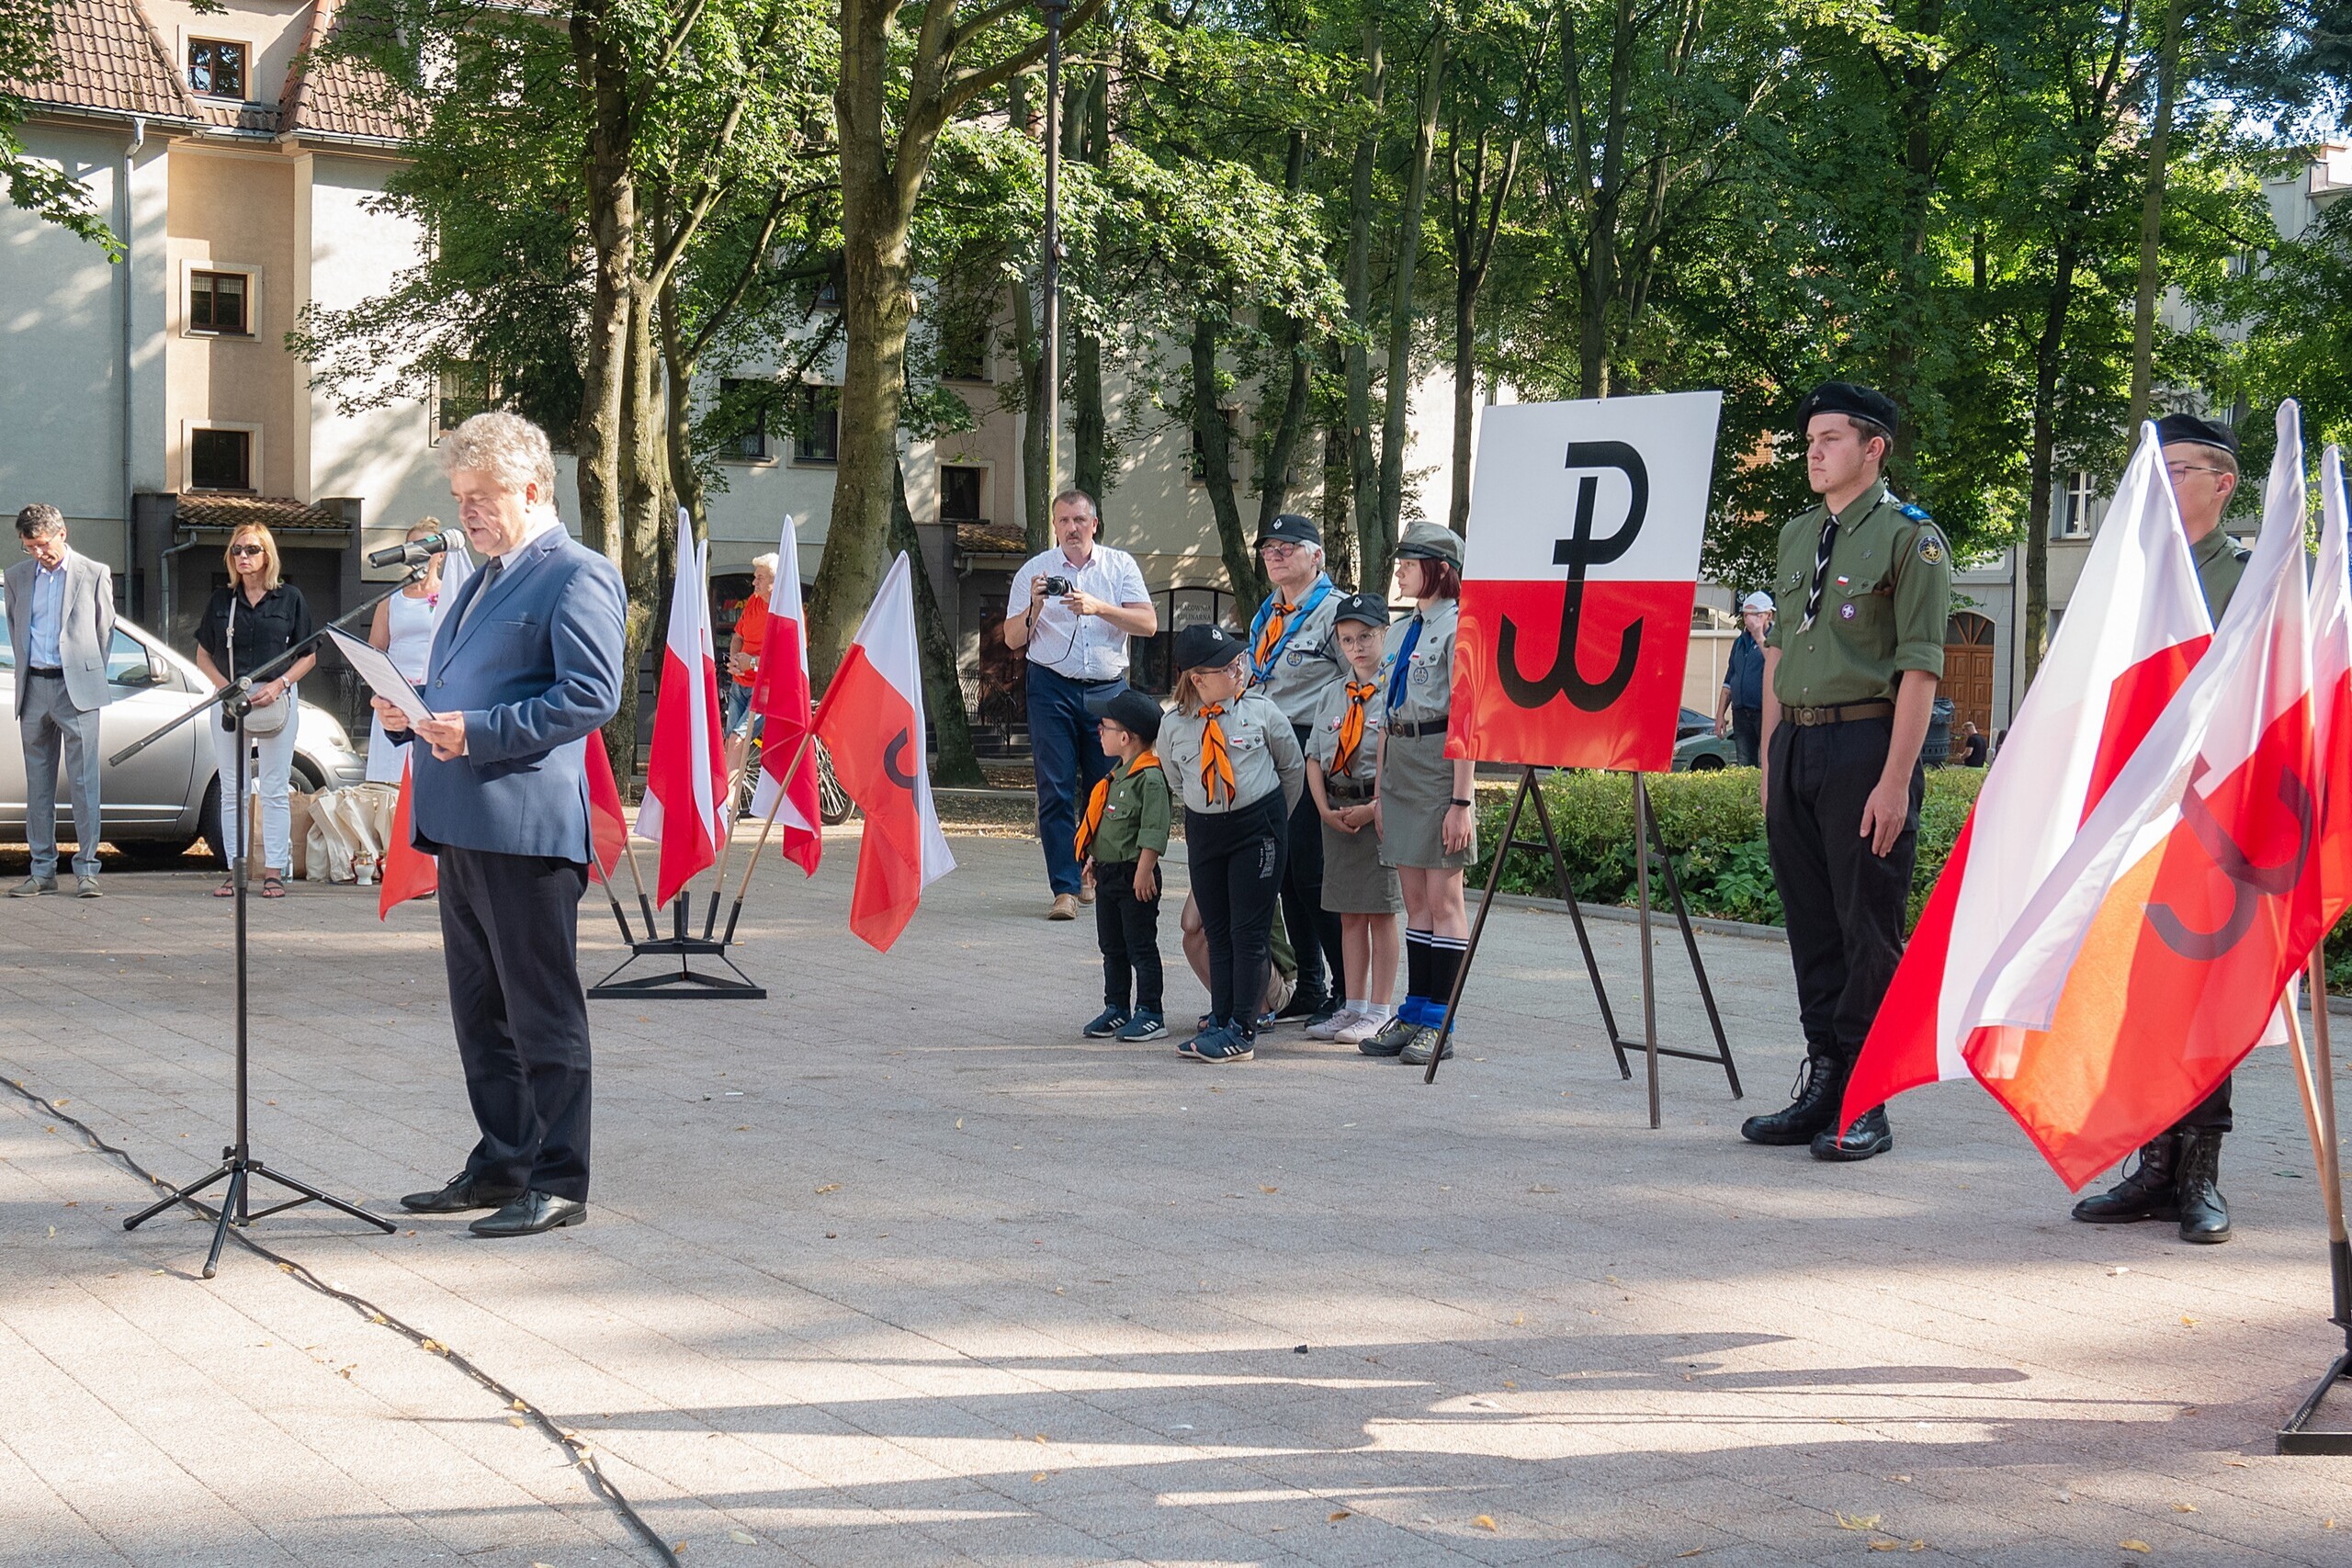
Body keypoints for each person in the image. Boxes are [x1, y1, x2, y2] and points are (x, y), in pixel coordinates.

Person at [376, 412, 627, 1239]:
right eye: (460, 497)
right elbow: (469, 681)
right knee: (480, 1012)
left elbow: (590, 695)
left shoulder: (577, 574)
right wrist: (410, 711)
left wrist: (479, 731)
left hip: (524, 827)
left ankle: (559, 1179)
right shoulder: (480, 577)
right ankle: (504, 1159)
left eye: (481, 496)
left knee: (540, 1012)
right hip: (460, 819)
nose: (467, 511)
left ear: (532, 488)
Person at [1741, 380, 1951, 1162]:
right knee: (1812, 924)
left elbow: (1920, 669)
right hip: (1797, 746)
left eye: (1830, 439)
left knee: (1868, 926)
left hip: (1867, 745)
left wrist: (1895, 781)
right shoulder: (1799, 535)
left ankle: (1869, 1096)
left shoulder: (1910, 539)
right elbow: (1778, 657)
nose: (1814, 452)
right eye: (1810, 441)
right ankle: (1825, 1079)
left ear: (1873, 448)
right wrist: (1770, 761)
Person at [2070, 410, 2250, 1244]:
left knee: (2202, 992)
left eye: (2178, 471)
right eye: (2155, 472)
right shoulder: (2134, 579)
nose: (2163, 486)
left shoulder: (2253, 579)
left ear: (2224, 483)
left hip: (2218, 813)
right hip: (2136, 811)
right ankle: (2154, 1164)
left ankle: (2200, 1171)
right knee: (2140, 989)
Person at [1003, 490, 1158, 920]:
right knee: (1054, 789)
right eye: (1064, 521)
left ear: (1094, 524)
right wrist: (1035, 605)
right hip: (1050, 688)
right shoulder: (1035, 571)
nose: (1072, 528)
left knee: (1103, 787)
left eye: (1079, 520)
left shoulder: (1119, 566)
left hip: (1107, 692)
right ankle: (1065, 888)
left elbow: (1148, 623)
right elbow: (1013, 639)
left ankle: (1094, 873)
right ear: (1055, 526)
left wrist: (1098, 607)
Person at [1361, 524, 1478, 1067]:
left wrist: (1462, 802)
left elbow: (1467, 721)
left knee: (1443, 899)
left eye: (1409, 563)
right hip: (1401, 765)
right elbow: (1387, 713)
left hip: (1438, 764)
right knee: (1415, 902)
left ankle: (1440, 1021)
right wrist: (1381, 792)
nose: (1400, 572)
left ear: (1441, 569)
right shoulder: (1404, 629)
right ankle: (1415, 1011)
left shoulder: (1460, 627)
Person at [1159, 624, 1303, 1063]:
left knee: (1248, 931)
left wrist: (1271, 822)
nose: (1240, 670)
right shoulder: (1173, 726)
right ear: (1198, 679)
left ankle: (1243, 1030)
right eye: (1228, 667)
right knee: (1217, 931)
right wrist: (1209, 809)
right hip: (1205, 832)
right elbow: (1176, 779)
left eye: (1239, 661)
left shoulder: (1260, 712)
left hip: (1257, 828)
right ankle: (1221, 1020)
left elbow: (1291, 769)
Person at [1241, 513, 1351, 1027]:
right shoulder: (1268, 614)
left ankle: (1348, 989)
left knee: (1310, 871)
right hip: (1267, 745)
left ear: (1316, 556)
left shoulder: (1334, 612)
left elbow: (1360, 683)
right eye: (1269, 549)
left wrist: (1338, 750)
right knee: (1284, 871)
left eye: (1288, 547)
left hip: (1312, 746)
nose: (1276, 555)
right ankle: (1310, 985)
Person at [193, 524, 315, 901]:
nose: (243, 556)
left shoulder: (289, 598)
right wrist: (223, 687)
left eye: (251, 549)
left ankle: (274, 872)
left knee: (275, 787)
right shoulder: (222, 600)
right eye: (236, 550)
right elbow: (203, 654)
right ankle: (236, 871)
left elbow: (308, 655)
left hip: (276, 700)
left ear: (267, 555)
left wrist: (280, 685)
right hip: (232, 701)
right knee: (233, 790)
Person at [1305, 592, 1401, 1047]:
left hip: (1376, 812)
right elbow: (1312, 757)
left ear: (1384, 634)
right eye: (1347, 639)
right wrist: (1323, 809)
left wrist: (1375, 807)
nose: (1356, 647)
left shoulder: (1396, 689)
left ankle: (1380, 1011)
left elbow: (1397, 757)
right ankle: (1354, 1005)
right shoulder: (1331, 693)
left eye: (1365, 636)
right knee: (1348, 915)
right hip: (1338, 812)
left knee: (1380, 913)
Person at [5, 504, 113, 898]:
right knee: (38, 786)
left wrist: (86, 676)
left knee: (84, 783)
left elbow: (104, 632)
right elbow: (16, 626)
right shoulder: (16, 577)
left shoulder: (93, 573)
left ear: (62, 534)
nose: (38, 553)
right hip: (34, 687)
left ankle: (87, 870)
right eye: (29, 546)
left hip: (76, 689)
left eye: (42, 544)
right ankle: (42, 870)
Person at [1075, 688, 1173, 1043]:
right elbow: (1108, 827)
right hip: (1110, 875)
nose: (1099, 732)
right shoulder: (1116, 776)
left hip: (1136, 877)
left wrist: (1145, 871)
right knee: (1111, 947)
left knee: (1140, 947)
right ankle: (1116, 1007)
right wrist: (1093, 858)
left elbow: (1153, 830)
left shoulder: (1150, 779)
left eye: (1105, 726)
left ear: (1126, 737)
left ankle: (1151, 1011)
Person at [366, 520, 458, 784]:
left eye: (426, 547)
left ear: (440, 555)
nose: (419, 553)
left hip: (432, 695)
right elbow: (375, 649)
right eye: (412, 546)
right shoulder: (391, 598)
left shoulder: (452, 596)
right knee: (391, 778)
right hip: (396, 695)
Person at [724, 552, 775, 781]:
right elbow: (737, 637)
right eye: (755, 577)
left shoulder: (786, 611)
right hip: (740, 683)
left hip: (765, 689)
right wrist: (735, 661)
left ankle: (726, 799)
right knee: (730, 742)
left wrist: (752, 663)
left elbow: (789, 659)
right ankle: (729, 794)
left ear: (775, 580)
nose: (754, 582)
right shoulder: (753, 602)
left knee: (737, 740)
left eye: (760, 578)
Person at [1717, 592, 1773, 766]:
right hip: (1741, 712)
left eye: (1756, 614)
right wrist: (1720, 715)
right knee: (1745, 762)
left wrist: (1759, 636)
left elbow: (1776, 665)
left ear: (1768, 615)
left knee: (1767, 760)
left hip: (1765, 711)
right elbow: (1729, 680)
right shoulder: (1740, 642)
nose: (1749, 620)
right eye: (1746, 615)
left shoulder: (1775, 640)